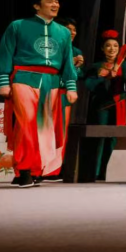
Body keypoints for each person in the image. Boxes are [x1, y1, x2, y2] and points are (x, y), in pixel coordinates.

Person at [0, 0, 79, 187]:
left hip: (52, 82)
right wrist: (3, 81)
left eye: (57, 1)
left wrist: (71, 86)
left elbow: (67, 61)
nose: (55, 4)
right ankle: (25, 170)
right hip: (24, 78)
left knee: (44, 127)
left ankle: (31, 169)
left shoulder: (63, 32)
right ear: (37, 5)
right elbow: (5, 53)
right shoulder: (18, 26)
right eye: (50, 1)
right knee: (26, 122)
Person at [84, 30, 126, 180]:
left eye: (115, 46)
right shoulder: (96, 66)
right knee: (100, 137)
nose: (112, 49)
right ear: (102, 49)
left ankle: (107, 172)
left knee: (114, 138)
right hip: (102, 105)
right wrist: (102, 77)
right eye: (108, 46)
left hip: (119, 104)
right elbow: (89, 85)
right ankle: (95, 172)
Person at [50, 17, 85, 181]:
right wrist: (69, 62)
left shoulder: (76, 50)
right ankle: (37, 168)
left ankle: (55, 169)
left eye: (74, 30)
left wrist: (76, 66)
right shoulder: (51, 46)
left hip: (65, 93)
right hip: (48, 90)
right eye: (68, 29)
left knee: (61, 131)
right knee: (46, 129)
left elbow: (78, 75)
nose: (72, 32)